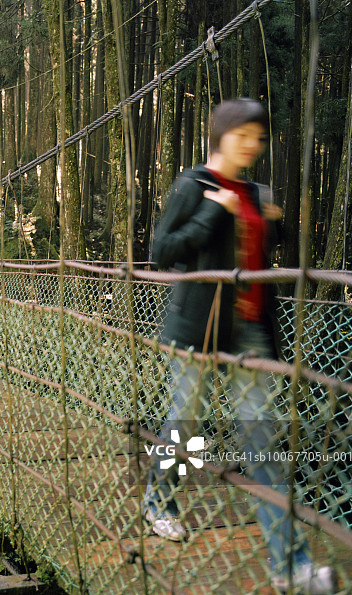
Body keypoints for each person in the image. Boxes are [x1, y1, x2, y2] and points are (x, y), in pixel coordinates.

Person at [144, 98, 336, 594]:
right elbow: (163, 252)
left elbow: (264, 252)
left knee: (262, 445)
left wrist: (274, 223)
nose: (254, 144)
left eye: (259, 136)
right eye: (245, 134)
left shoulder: (256, 190)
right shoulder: (195, 185)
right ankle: (158, 504)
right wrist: (211, 214)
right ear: (222, 134)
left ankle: (290, 568)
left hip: (252, 331)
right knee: (185, 425)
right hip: (198, 333)